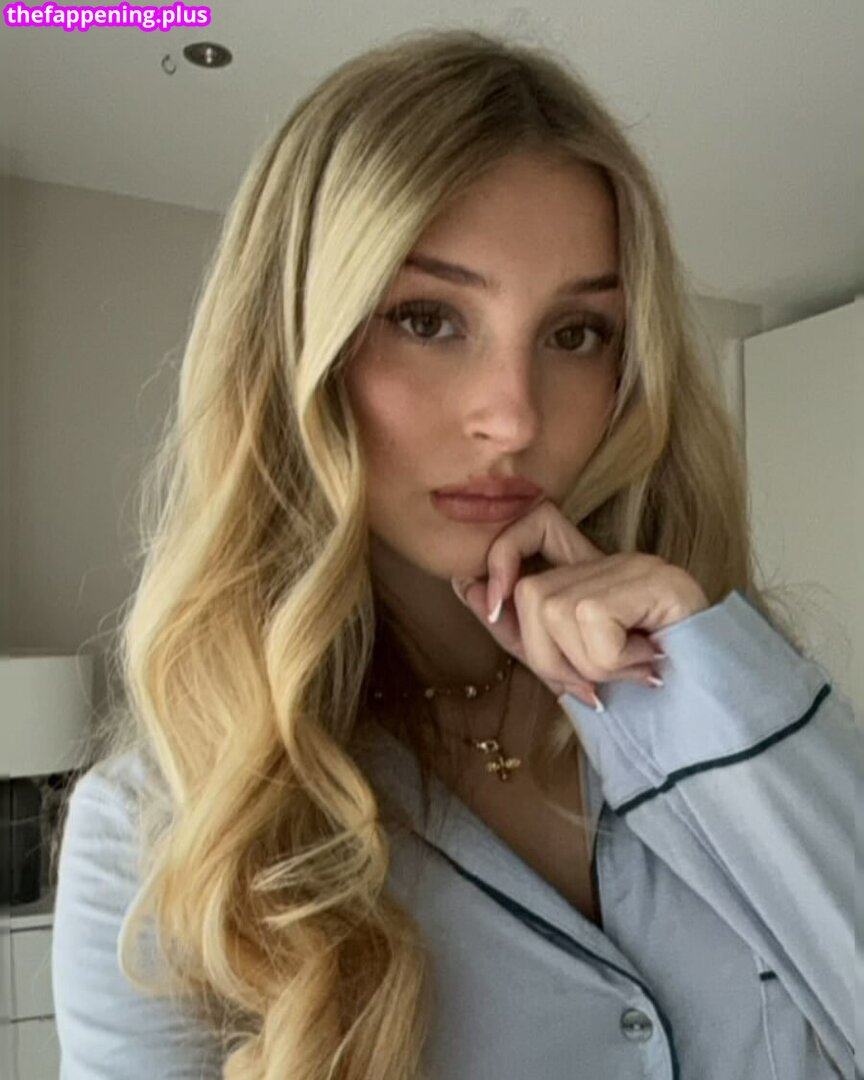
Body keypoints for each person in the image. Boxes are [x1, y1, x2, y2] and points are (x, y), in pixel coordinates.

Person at [50, 26, 859, 1080]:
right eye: (428, 319)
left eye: (576, 334)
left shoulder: (711, 685)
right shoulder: (164, 841)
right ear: (295, 349)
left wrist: (716, 679)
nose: (512, 418)